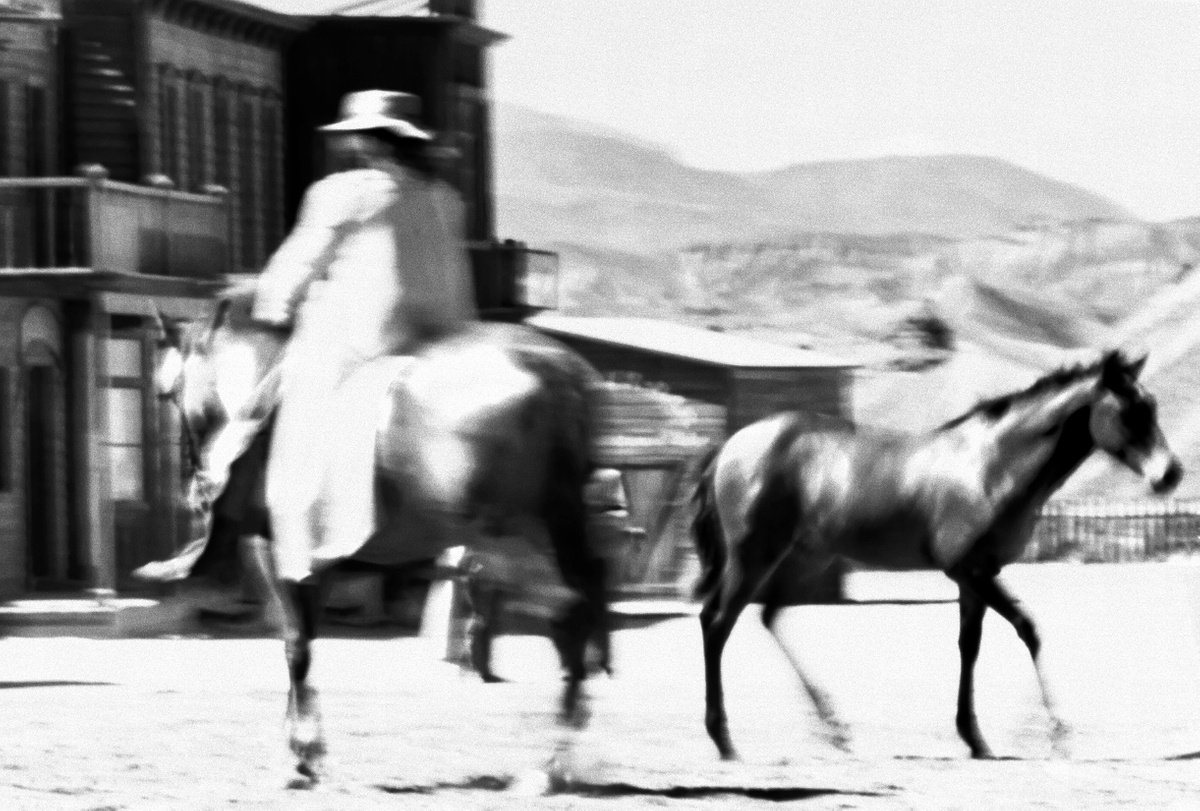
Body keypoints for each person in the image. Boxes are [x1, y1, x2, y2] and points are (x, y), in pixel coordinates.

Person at [251, 89, 477, 583]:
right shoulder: (445, 197)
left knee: (304, 404)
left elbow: (302, 260)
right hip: (448, 335)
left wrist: (273, 305)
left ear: (366, 141)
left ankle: (305, 541)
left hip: (375, 336)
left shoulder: (340, 192)